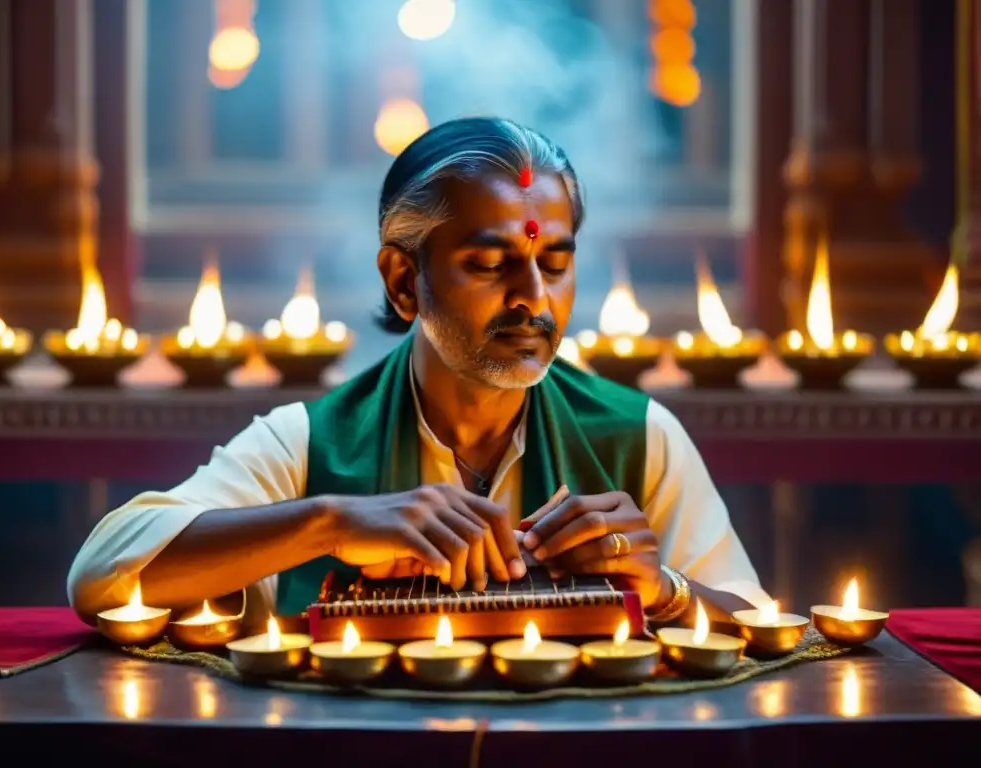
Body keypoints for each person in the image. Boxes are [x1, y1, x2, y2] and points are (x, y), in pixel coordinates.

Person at [67, 117, 767, 629]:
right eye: (491, 265)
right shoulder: (313, 444)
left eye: (554, 263)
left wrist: (668, 590)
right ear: (404, 281)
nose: (534, 298)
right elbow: (102, 572)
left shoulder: (638, 435)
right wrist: (332, 522)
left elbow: (763, 625)